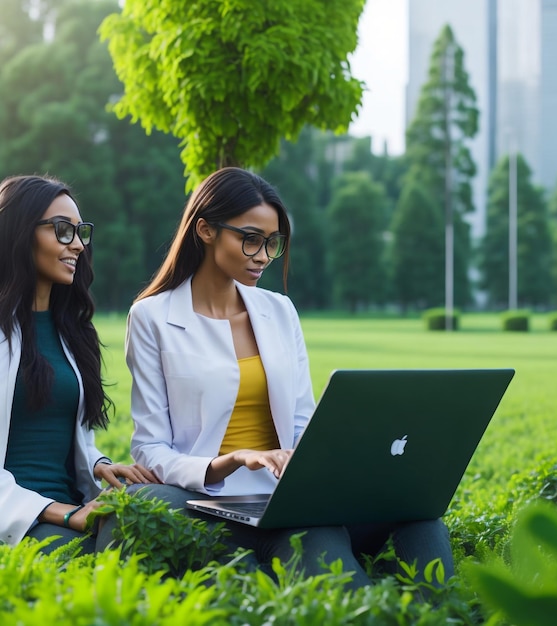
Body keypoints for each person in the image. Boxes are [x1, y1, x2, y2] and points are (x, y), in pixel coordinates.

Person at [125, 167, 454, 588]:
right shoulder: (152, 317)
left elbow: (301, 422)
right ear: (205, 230)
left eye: (272, 242)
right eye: (250, 239)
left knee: (421, 517)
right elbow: (149, 447)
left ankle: (443, 611)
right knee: (333, 570)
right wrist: (231, 460)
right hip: (214, 499)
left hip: (288, 495)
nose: (262, 255)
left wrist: (334, 463)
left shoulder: (279, 310)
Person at [0, 174, 158, 554]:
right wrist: (68, 516)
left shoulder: (69, 330)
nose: (77, 245)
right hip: (22, 520)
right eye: (61, 230)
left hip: (73, 504)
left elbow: (64, 433)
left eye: (80, 232)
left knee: (160, 521)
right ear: (18, 232)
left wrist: (100, 463)